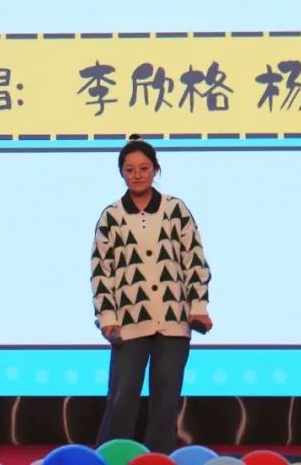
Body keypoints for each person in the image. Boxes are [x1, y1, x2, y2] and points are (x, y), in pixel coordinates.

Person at [91, 135, 213, 453]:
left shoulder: (176, 209)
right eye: (129, 169)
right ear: (121, 172)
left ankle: (157, 458)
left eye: (144, 168)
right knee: (122, 399)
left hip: (174, 322)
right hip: (128, 323)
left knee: (166, 402)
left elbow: (194, 260)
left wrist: (198, 306)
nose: (137, 175)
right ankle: (111, 457)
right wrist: (107, 317)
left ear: (155, 170)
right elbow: (101, 271)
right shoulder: (111, 217)